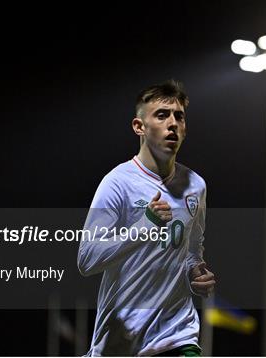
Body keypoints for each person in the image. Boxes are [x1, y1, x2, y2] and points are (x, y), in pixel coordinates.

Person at [77, 79, 215, 356]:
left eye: (179, 116)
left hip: (177, 335)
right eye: (162, 115)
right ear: (139, 127)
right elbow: (87, 259)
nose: (173, 123)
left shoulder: (195, 185)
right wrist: (145, 226)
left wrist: (195, 271)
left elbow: (190, 250)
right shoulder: (117, 183)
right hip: (123, 340)